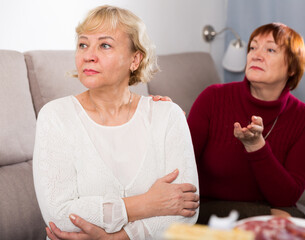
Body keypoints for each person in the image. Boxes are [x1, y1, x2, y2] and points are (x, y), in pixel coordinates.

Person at [33, 5, 199, 240]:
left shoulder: (168, 115)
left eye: (105, 45)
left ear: (135, 59)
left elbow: (187, 211)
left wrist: (119, 237)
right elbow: (59, 216)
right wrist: (145, 204)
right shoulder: (55, 116)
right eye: (83, 44)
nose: (88, 55)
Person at [186, 22, 305, 223]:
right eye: (253, 47)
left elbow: (286, 197)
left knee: (293, 219)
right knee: (287, 219)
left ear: (292, 67)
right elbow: (180, 163)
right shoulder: (212, 98)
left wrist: (256, 146)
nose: (256, 55)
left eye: (270, 49)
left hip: (270, 209)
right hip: (208, 211)